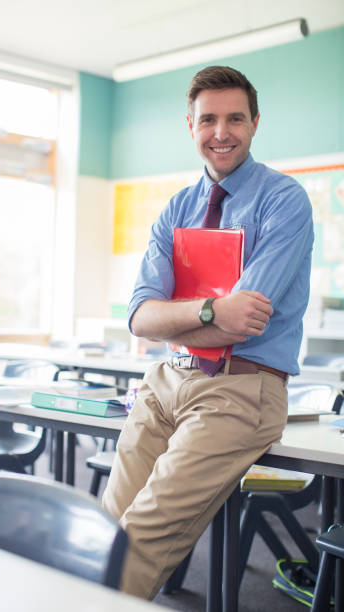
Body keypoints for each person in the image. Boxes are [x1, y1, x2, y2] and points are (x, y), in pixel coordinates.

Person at [102, 65, 314, 600]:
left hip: (241, 389)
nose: (222, 132)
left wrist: (175, 314)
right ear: (191, 125)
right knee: (104, 524)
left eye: (235, 118)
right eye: (209, 119)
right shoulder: (176, 208)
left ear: (255, 123)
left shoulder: (282, 200)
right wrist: (205, 314)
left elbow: (245, 322)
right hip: (167, 379)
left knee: (143, 531)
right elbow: (139, 318)